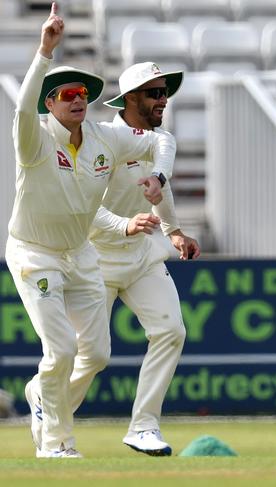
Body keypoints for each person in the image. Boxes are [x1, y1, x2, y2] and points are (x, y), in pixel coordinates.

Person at [7, 3, 175, 458]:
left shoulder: (105, 137)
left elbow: (161, 139)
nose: (78, 98)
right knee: (59, 350)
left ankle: (41, 399)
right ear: (50, 103)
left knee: (96, 354)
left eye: (83, 91)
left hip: (81, 254)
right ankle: (56, 443)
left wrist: (158, 177)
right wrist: (45, 50)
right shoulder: (35, 140)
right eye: (66, 93)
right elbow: (22, 108)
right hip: (35, 253)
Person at [89, 62, 200, 456]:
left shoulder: (160, 139)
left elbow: (158, 187)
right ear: (130, 98)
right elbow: (84, 208)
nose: (163, 99)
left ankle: (144, 426)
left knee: (171, 331)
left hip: (142, 256)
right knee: (91, 357)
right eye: (154, 93)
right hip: (95, 260)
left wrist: (173, 231)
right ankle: (45, 403)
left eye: (164, 92)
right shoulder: (101, 138)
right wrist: (122, 224)